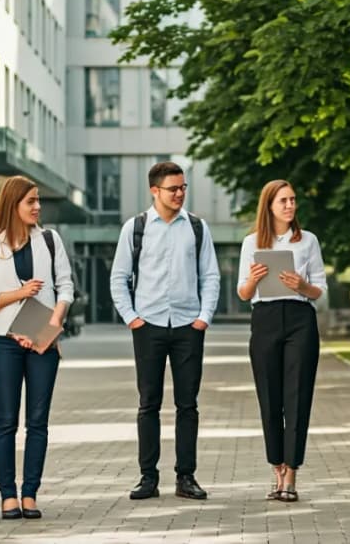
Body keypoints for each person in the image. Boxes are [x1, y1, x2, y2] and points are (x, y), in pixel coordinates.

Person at [109, 161, 221, 501]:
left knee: (188, 405)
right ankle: (148, 478)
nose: (180, 194)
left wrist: (203, 318)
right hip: (149, 326)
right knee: (149, 404)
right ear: (155, 191)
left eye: (184, 187)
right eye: (173, 189)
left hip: (189, 325)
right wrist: (132, 318)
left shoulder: (197, 228)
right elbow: (118, 277)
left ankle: (186, 477)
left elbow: (211, 276)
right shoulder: (136, 228)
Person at [0, 176, 74, 520]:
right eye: (30, 201)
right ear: (13, 204)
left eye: (38, 200)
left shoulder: (49, 239)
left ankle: (30, 494)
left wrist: (51, 325)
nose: (37, 206)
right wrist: (20, 293)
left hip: (43, 342)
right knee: (6, 421)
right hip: (4, 344)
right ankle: (7, 496)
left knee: (38, 421)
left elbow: (66, 287)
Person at [237, 180, 327, 502]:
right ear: (269, 206)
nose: (290, 206)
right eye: (283, 201)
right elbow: (243, 293)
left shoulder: (308, 241)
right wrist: (254, 279)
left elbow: (320, 290)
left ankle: (291, 473)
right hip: (264, 320)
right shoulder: (251, 243)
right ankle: (275, 465)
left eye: (293, 199)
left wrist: (302, 285)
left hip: (301, 320)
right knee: (270, 399)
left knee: (297, 397)